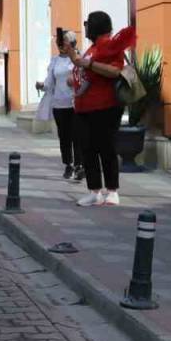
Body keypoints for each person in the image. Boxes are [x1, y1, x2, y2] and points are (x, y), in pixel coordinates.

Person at [67, 11, 135, 207]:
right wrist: (75, 70)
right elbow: (84, 70)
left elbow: (115, 71)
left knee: (106, 148)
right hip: (85, 108)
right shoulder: (93, 48)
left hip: (104, 106)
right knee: (88, 149)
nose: (85, 27)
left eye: (88, 23)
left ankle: (112, 191)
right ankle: (94, 191)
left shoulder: (108, 44)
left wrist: (88, 63)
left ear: (96, 25)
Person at [36, 30, 84, 181]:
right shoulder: (55, 61)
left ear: (72, 44)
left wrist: (75, 81)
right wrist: (41, 85)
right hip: (58, 105)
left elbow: (84, 78)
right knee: (64, 137)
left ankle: (79, 166)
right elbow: (50, 83)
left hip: (74, 103)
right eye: (59, 42)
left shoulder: (77, 59)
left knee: (77, 135)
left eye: (64, 42)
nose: (61, 45)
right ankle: (68, 165)